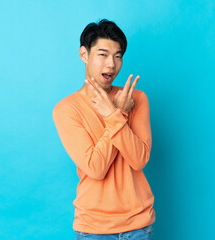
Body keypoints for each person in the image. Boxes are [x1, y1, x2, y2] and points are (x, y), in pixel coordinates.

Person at [52, 19, 155, 240]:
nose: (111, 65)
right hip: (93, 229)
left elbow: (139, 160)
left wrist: (115, 114)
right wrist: (117, 114)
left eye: (118, 56)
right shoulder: (66, 109)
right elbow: (95, 168)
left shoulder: (136, 98)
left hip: (138, 226)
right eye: (103, 55)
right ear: (84, 54)